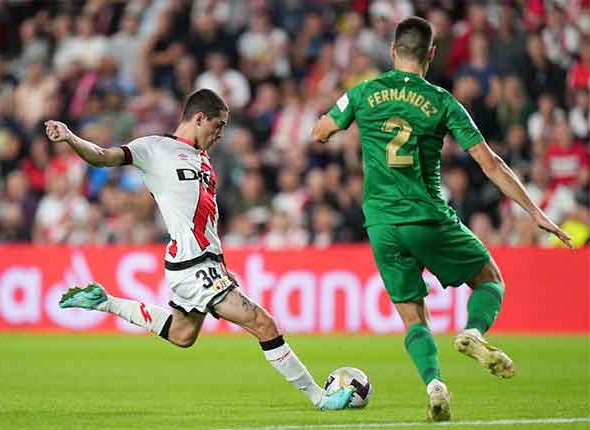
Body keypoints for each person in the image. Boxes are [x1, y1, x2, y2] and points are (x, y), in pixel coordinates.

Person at [312, 17, 572, 422]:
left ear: (393, 50)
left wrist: (335, 124)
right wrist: (535, 212)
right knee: (489, 279)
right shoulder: (442, 101)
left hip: (380, 224)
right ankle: (473, 331)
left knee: (412, 315)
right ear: (431, 55)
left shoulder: (363, 92)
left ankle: (434, 384)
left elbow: (320, 131)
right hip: (427, 216)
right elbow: (490, 163)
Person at [45, 89, 353, 411]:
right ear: (199, 118)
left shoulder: (204, 160)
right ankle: (320, 398)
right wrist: (70, 138)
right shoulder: (154, 148)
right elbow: (102, 156)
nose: (219, 134)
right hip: (193, 264)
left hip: (206, 262)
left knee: (182, 334)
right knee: (263, 324)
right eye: (217, 126)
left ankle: (105, 301)